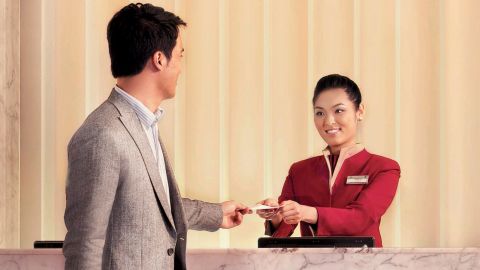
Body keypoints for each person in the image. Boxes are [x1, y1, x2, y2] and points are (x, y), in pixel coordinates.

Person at [63, 3, 248, 269]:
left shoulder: (143, 124)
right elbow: (84, 244)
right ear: (159, 59)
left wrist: (216, 214)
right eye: (180, 55)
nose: (182, 67)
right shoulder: (102, 135)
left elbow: (151, 204)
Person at [257, 74, 400, 247]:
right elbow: (283, 231)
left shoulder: (384, 168)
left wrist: (305, 212)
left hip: (364, 264)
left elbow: (361, 218)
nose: (328, 121)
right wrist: (275, 214)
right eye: (320, 113)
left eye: (339, 110)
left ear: (360, 111)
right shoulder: (299, 171)